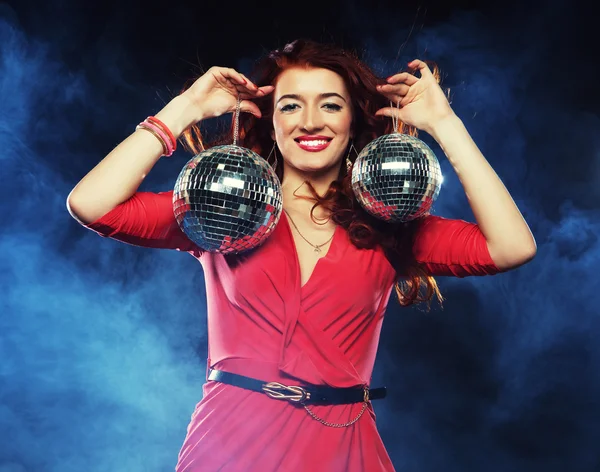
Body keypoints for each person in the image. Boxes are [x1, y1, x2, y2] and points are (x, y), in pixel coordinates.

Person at [66, 39, 536, 471]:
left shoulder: (389, 223)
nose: (310, 121)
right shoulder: (220, 207)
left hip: (345, 446)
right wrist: (184, 109)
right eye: (290, 106)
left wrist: (444, 125)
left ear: (353, 119)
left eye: (330, 105)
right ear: (271, 120)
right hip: (231, 441)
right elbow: (92, 204)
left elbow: (513, 246)